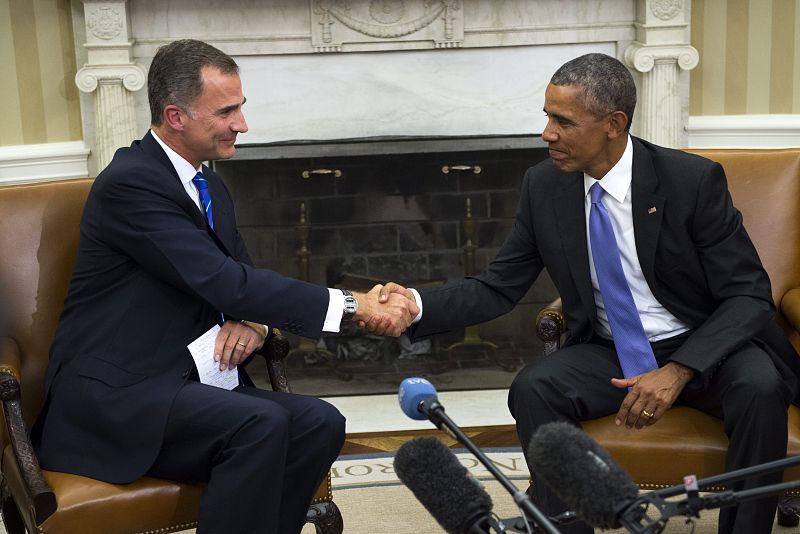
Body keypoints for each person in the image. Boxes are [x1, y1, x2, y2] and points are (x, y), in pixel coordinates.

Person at [376, 53, 800, 533]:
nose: (547, 133)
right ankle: (562, 527)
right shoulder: (544, 186)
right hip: (612, 350)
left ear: (614, 124)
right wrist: (416, 305)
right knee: (534, 388)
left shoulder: (690, 182)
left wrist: (679, 370)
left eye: (563, 121)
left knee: (760, 388)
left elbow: (748, 294)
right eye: (547, 117)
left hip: (706, 343)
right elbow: (498, 286)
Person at [32, 39, 418, 534]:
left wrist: (254, 319)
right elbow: (223, 279)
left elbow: (242, 278)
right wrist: (352, 304)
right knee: (261, 425)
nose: (242, 124)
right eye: (227, 111)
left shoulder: (208, 185)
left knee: (320, 421)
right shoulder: (131, 184)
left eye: (241, 107)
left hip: (186, 384)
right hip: (117, 397)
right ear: (175, 115)